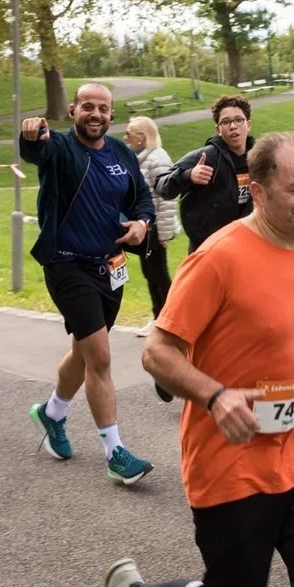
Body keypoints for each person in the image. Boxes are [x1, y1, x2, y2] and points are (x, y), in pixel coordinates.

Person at [93, 131, 294, 587]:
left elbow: (293, 335)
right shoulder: (218, 258)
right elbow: (158, 352)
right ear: (260, 192)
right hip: (231, 464)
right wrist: (216, 396)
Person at [20, 83, 157, 486]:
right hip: (66, 265)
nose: (95, 114)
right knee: (100, 356)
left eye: (103, 108)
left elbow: (142, 200)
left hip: (109, 267)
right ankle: (115, 452)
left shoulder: (120, 154)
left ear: (111, 115)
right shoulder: (61, 148)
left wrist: (140, 224)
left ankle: (52, 413)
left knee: (83, 351)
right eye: (87, 107)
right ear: (73, 109)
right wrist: (31, 134)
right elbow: (36, 150)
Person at [124, 115, 182, 404]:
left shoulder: (157, 157)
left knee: (159, 274)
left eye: (130, 133)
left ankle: (170, 318)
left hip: (157, 228)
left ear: (142, 136)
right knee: (151, 273)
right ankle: (160, 315)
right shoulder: (140, 158)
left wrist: (165, 233)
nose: (126, 138)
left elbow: (167, 200)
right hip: (145, 225)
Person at [154, 95, 254, 253]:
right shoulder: (207, 157)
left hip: (245, 244)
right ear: (218, 129)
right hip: (207, 248)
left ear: (248, 125)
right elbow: (161, 185)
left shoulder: (258, 158)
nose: (233, 126)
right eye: (226, 122)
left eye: (238, 120)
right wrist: (188, 175)